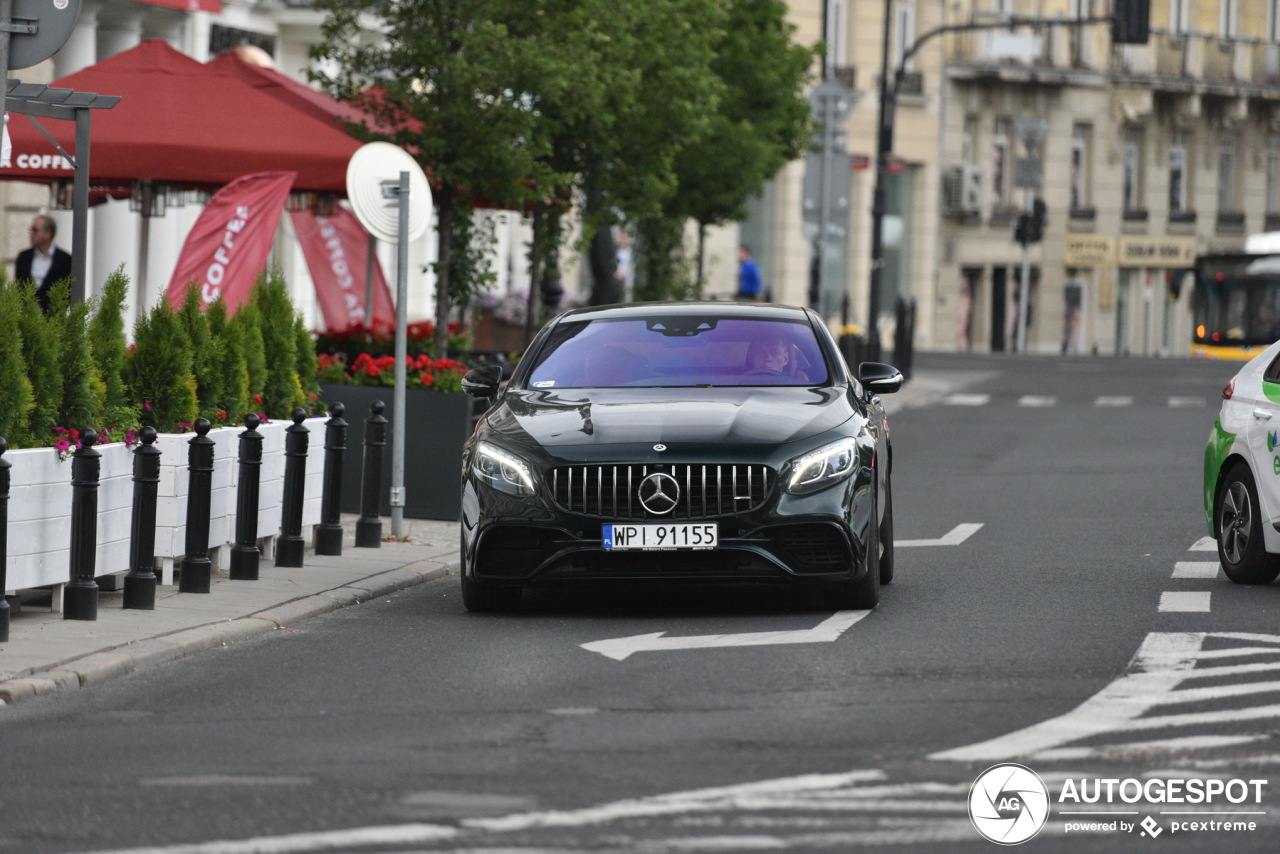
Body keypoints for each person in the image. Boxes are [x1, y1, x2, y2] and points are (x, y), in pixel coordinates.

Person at [15, 215, 72, 313]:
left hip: (52, 319)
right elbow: (19, 286)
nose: (31, 234)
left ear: (48, 234)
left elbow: (67, 291)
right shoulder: (24, 257)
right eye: (31, 230)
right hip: (26, 317)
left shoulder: (64, 259)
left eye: (35, 230)